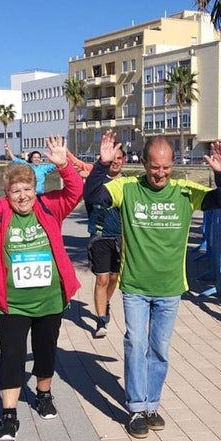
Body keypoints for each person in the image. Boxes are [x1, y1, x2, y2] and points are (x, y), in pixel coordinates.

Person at [84, 130, 221, 440]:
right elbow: (94, 196)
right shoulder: (127, 188)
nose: (161, 174)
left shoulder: (183, 191)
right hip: (136, 286)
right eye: (155, 168)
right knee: (136, 344)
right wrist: (101, 164)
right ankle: (137, 408)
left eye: (166, 167)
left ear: (173, 163)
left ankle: (152, 405)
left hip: (169, 288)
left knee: (159, 349)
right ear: (144, 163)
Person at [0, 136, 83, 441]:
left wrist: (64, 165)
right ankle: (8, 415)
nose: (23, 196)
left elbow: (75, 191)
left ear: (34, 189)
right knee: (12, 356)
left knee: (45, 351)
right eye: (16, 191)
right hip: (11, 302)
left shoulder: (49, 207)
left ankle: (43, 395)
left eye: (27, 189)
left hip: (50, 299)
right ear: (7, 193)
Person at [86, 143, 125, 338]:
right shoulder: (96, 183)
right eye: (112, 158)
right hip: (100, 236)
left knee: (113, 278)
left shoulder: (129, 183)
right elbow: (88, 194)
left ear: (124, 161)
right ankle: (101, 320)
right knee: (102, 278)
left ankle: (106, 301)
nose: (115, 162)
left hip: (122, 238)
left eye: (119, 158)